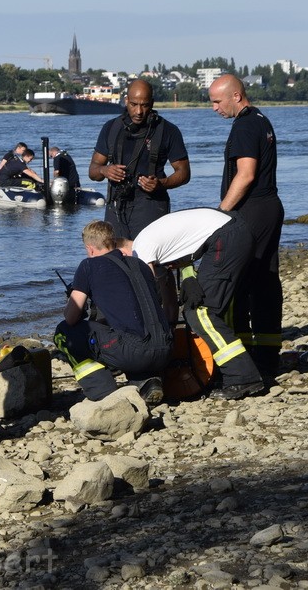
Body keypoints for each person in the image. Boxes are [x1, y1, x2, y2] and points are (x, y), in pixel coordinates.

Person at [124, 207, 265, 400]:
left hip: (224, 237)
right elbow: (168, 296)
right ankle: (235, 369)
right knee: (221, 308)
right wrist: (170, 325)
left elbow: (150, 298)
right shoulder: (153, 245)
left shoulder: (140, 250)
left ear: (123, 252)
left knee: (200, 312)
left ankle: (242, 376)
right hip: (234, 231)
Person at [208, 74, 284, 379]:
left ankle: (243, 357)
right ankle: (266, 354)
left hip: (252, 210)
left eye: (216, 101)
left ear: (236, 96)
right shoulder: (261, 120)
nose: (213, 108)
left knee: (238, 281)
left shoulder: (244, 125)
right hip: (269, 207)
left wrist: (221, 213)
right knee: (264, 279)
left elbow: (246, 174)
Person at [53, 220, 173, 404]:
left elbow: (71, 317)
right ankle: (147, 381)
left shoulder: (88, 266)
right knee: (128, 329)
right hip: (166, 347)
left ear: (90, 248)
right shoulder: (139, 264)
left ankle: (103, 392)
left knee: (65, 332)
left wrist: (72, 297)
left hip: (134, 352)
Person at [88, 79, 190, 239]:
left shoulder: (169, 131)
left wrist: (161, 183)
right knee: (115, 259)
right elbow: (93, 171)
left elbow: (184, 173)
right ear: (126, 101)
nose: (139, 111)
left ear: (152, 103)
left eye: (144, 105)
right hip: (116, 205)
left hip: (151, 205)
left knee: (146, 259)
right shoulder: (111, 128)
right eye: (134, 104)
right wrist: (104, 170)